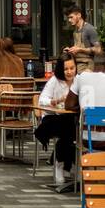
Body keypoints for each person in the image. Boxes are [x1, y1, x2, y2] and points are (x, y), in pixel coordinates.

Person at [36, 56, 79, 190]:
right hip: (52, 118)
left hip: (71, 118)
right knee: (69, 130)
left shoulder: (79, 81)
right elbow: (41, 100)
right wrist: (55, 101)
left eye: (72, 68)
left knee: (75, 129)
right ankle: (63, 164)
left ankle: (69, 164)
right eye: (66, 69)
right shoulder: (54, 81)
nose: (69, 72)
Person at [65, 6, 102, 74]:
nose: (69, 20)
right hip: (76, 65)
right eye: (68, 18)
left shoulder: (89, 29)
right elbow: (77, 48)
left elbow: (98, 50)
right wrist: (70, 50)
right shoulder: (75, 30)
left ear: (79, 15)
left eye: (71, 17)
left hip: (87, 66)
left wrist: (80, 49)